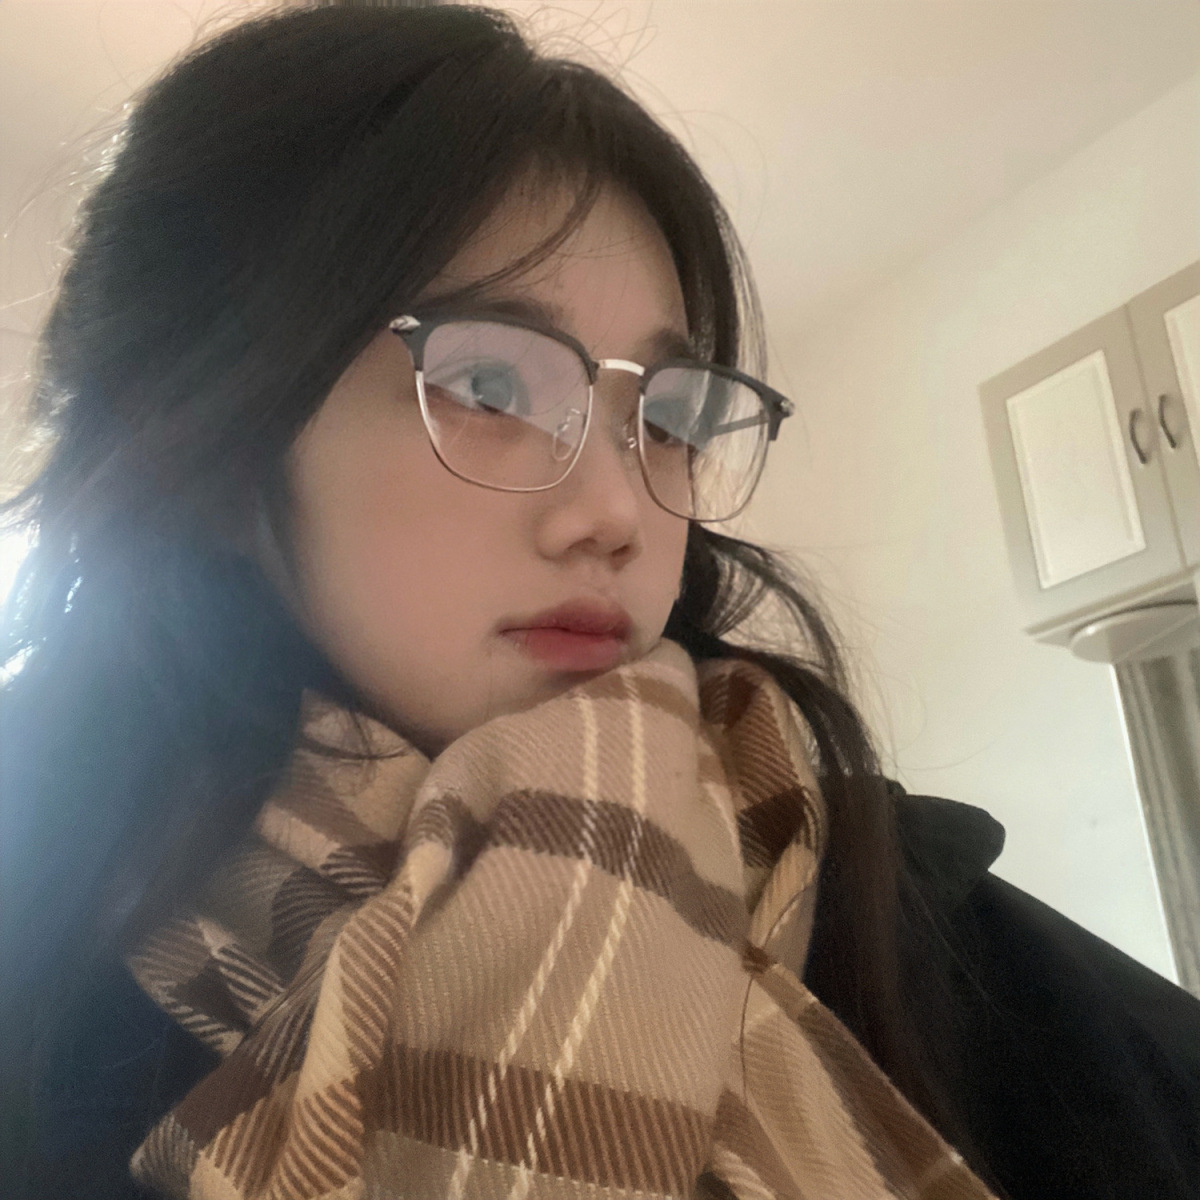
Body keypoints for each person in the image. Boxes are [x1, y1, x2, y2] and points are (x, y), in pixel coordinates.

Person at [1, 5, 1197, 1199]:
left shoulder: (884, 897)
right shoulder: (46, 1001)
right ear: (216, 452)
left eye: (666, 417)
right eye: (488, 384)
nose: (619, 511)